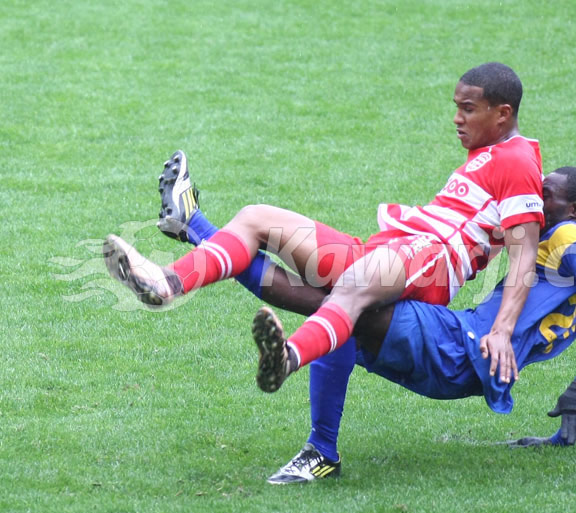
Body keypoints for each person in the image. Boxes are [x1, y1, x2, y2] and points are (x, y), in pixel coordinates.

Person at [150, 154, 576, 484]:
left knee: (342, 304)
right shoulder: (565, 269)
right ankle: (194, 227)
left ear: (575, 209)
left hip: (457, 344)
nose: (534, 198)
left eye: (545, 194)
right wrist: (567, 429)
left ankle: (197, 231)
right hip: (458, 353)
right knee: (337, 306)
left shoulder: (571, 236)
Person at [103, 62, 545, 396]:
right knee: (256, 218)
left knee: (347, 289)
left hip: (428, 260)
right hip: (390, 247)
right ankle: (167, 282)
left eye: (468, 109)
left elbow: (524, 252)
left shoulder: (518, 160)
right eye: (456, 108)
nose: (457, 119)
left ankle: (287, 359)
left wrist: (503, 328)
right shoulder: (490, 154)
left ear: (502, 113)